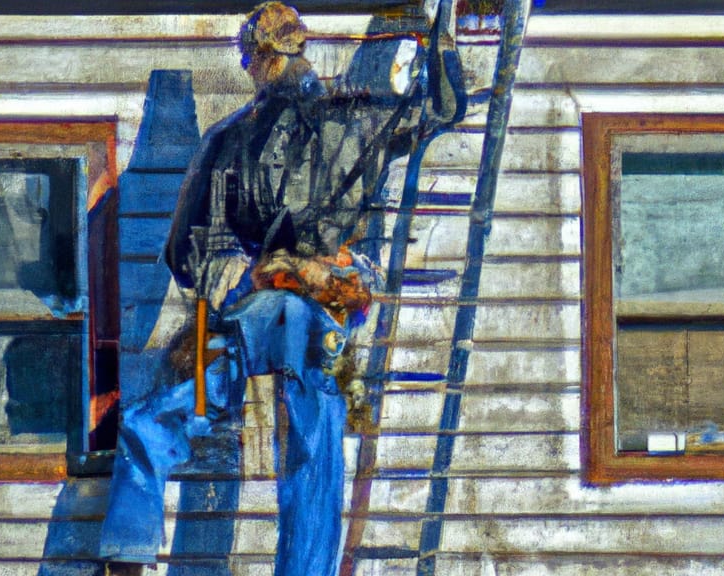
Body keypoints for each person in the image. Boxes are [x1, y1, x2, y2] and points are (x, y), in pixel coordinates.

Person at [98, 2, 466, 575]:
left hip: (291, 321)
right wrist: (442, 41)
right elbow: (442, 108)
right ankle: (147, 557)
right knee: (302, 449)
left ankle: (132, 556)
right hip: (285, 325)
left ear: (252, 60)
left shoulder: (258, 136)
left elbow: (184, 252)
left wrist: (258, 276)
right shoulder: (330, 126)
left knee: (181, 423)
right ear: (296, 50)